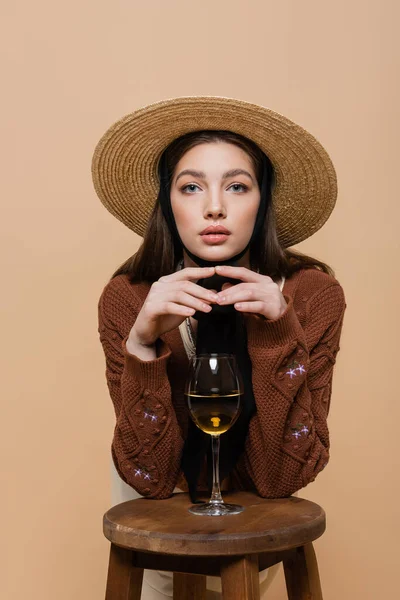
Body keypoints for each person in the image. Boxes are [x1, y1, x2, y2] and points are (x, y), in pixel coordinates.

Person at [93, 96, 346, 599]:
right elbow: (151, 478)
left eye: (237, 186)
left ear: (263, 200)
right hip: (163, 495)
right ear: (169, 204)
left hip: (256, 501)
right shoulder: (129, 296)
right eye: (191, 187)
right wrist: (142, 346)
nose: (214, 206)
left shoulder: (311, 294)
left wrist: (278, 331)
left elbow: (282, 477)